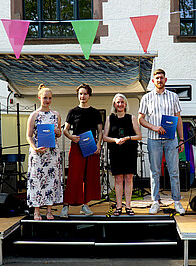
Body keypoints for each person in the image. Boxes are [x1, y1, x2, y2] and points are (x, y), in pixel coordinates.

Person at [138, 69, 186, 215]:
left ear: (166, 80)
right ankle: (155, 201)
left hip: (171, 140)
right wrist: (154, 127)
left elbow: (178, 119)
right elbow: (140, 119)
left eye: (161, 78)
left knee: (174, 171)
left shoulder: (173, 97)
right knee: (155, 172)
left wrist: (182, 139)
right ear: (153, 81)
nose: (159, 80)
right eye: (157, 78)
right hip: (154, 140)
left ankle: (177, 201)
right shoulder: (146, 98)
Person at [60, 83, 103, 218]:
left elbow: (101, 131)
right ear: (78, 95)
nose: (82, 96)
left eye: (85, 94)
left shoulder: (95, 112)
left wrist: (99, 144)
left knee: (89, 176)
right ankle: (66, 205)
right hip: (77, 146)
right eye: (80, 94)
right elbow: (65, 130)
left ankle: (85, 205)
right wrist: (71, 137)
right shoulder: (73, 112)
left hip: (91, 146)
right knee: (74, 176)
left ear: (89, 95)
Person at [26, 84, 63, 220]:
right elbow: (29, 135)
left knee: (51, 180)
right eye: (45, 98)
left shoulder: (56, 115)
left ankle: (49, 210)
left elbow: (58, 133)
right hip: (38, 153)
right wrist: (35, 147)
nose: (47, 100)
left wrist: (58, 132)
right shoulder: (34, 115)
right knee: (37, 180)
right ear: (39, 97)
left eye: (49, 98)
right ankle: (36, 210)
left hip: (52, 153)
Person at [103, 93, 141, 216]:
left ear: (125, 104)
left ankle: (128, 206)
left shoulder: (132, 118)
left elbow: (139, 136)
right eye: (117, 102)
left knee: (129, 178)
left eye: (122, 102)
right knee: (118, 179)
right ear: (114, 104)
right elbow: (104, 137)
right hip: (116, 152)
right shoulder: (110, 118)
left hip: (129, 151)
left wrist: (128, 138)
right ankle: (119, 206)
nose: (120, 104)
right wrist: (115, 140)